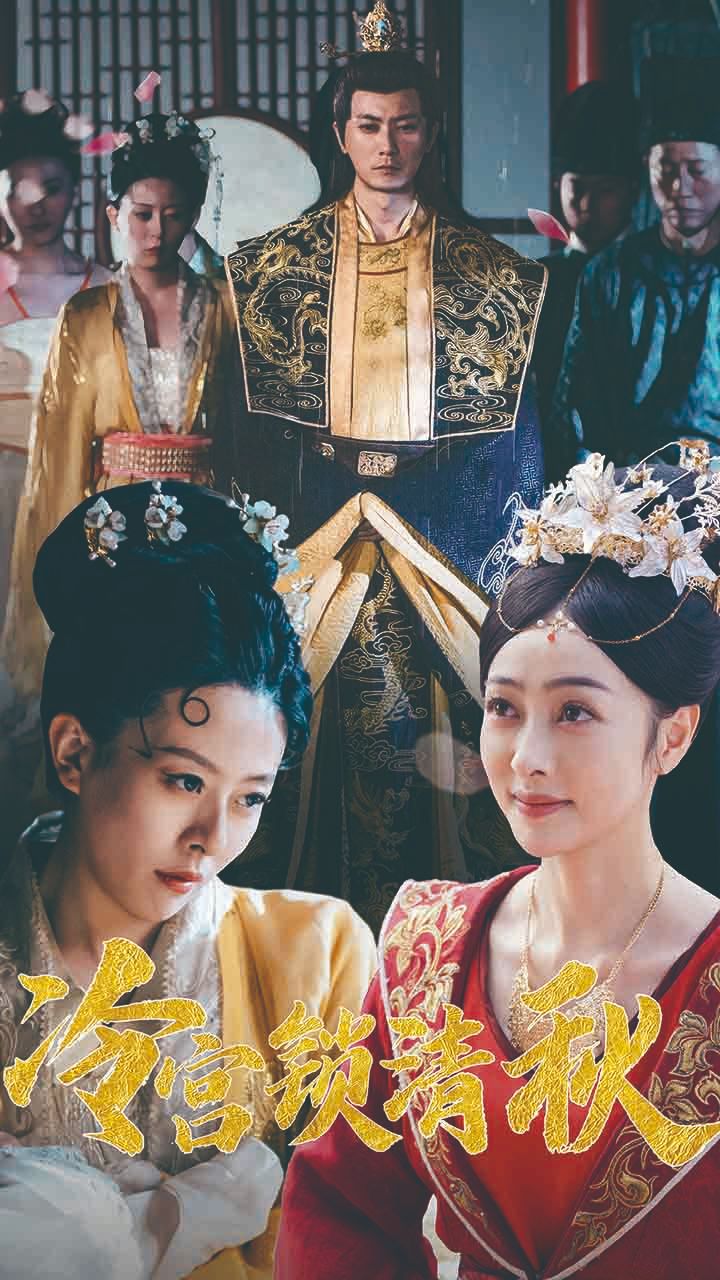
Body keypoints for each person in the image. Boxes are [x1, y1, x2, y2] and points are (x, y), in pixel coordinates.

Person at [274, 446, 720, 1279]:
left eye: (576, 712)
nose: (526, 759)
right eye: (505, 709)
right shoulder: (428, 944)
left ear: (673, 735)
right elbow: (339, 1206)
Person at [0, 479, 376, 1280]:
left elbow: (350, 1240)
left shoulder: (317, 956)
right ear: (74, 753)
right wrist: (200, 1210)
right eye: (183, 780)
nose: (213, 838)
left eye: (250, 798)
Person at [222, 17, 547, 932]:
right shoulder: (276, 269)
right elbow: (247, 437)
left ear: (430, 133)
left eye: (405, 125)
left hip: (440, 535)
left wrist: (500, 564)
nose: (388, 144)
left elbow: (516, 445)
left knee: (439, 745)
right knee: (302, 737)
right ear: (341, 133)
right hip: (321, 532)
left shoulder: (492, 276)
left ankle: (448, 938)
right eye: (369, 125)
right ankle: (310, 940)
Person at [0, 105, 236, 848]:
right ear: (113, 214)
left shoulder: (223, 309)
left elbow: (243, 436)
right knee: (119, 691)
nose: (156, 230)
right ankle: (110, 839)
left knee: (193, 691)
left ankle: (190, 831)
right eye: (140, 213)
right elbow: (59, 450)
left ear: (193, 214)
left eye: (173, 213)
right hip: (109, 530)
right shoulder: (85, 316)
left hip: (205, 529)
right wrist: (54, 566)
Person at [551, 55, 720, 468]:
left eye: (698, 170)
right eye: (667, 169)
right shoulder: (610, 272)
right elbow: (578, 402)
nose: (680, 187)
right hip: (631, 484)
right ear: (647, 168)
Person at [0, 91, 110, 627]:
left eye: (52, 187)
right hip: (4, 477)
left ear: (74, 192)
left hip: (86, 477)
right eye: (17, 189)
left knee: (76, 622)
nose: (36, 205)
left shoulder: (107, 285)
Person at [531, 81, 639, 477]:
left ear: (633, 191)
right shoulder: (537, 279)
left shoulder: (650, 276)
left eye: (605, 190)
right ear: (558, 184)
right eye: (576, 187)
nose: (588, 204)